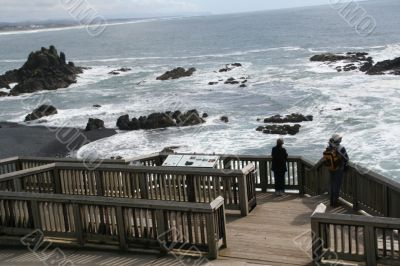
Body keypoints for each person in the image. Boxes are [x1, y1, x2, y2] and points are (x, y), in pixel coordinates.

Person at [323, 133, 349, 207]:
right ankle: (335, 202)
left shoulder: (329, 146)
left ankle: (331, 201)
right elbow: (347, 158)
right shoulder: (341, 147)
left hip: (331, 168)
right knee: (337, 186)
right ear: (338, 140)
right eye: (340, 138)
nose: (341, 139)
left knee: (332, 185)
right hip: (338, 169)